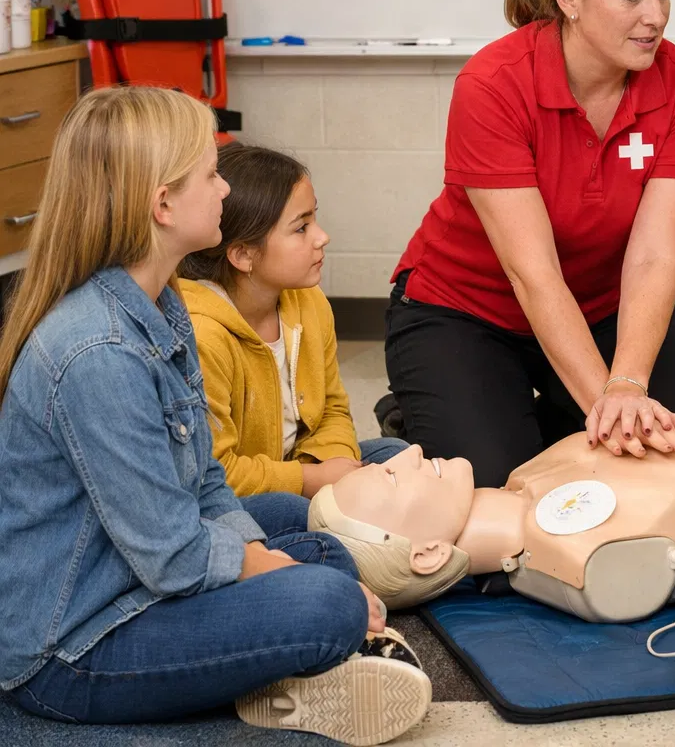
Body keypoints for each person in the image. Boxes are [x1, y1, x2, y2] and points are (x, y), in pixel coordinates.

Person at [0, 88, 427, 744]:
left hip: (135, 579)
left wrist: (272, 559)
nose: (225, 188)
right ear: (163, 205)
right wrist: (283, 574)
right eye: (209, 174)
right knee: (328, 598)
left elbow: (203, 483)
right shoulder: (99, 352)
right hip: (77, 643)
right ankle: (299, 656)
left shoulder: (161, 305)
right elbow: (173, 555)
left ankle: (287, 662)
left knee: (314, 539)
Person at [386, 0, 675, 486]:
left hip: (606, 306)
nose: (656, 16)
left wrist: (626, 386)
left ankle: (546, 422)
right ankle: (435, 411)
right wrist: (614, 412)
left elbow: (654, 256)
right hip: (468, 311)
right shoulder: (492, 84)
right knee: (505, 490)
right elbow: (533, 274)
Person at [308, 427, 675, 618]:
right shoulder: (581, 560)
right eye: (392, 478)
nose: (410, 452)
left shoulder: (528, 478)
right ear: (429, 553)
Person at [178, 142, 406, 499]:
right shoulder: (203, 336)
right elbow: (214, 472)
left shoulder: (309, 301)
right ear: (243, 255)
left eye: (314, 219)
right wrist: (308, 480)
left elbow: (332, 408)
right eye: (301, 228)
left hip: (302, 464)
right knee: (296, 514)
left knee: (398, 457)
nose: (322, 237)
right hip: (237, 495)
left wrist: (334, 464)